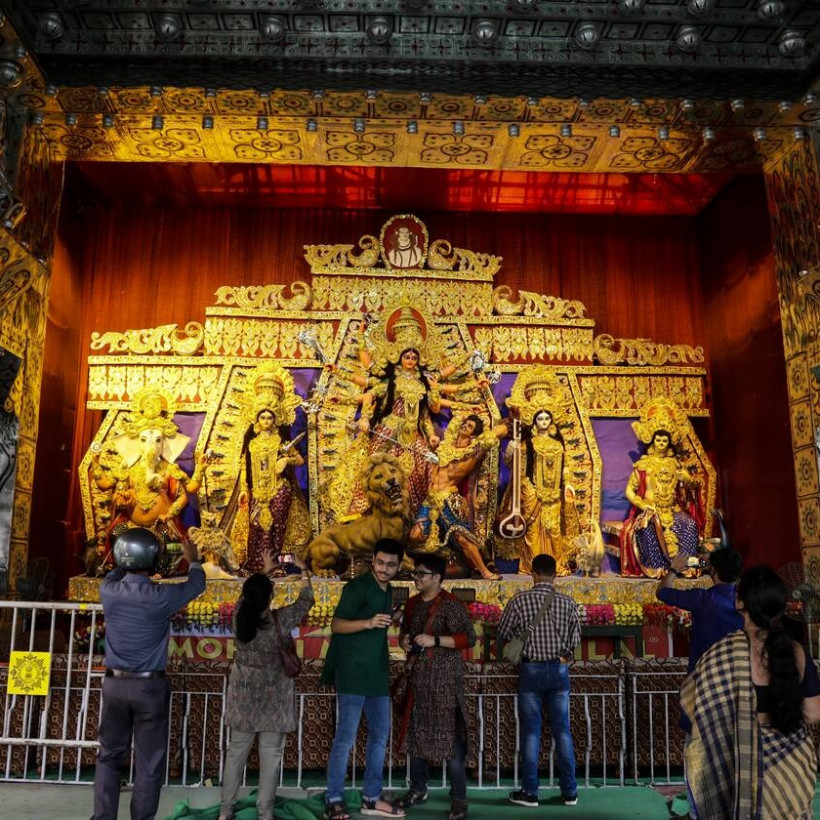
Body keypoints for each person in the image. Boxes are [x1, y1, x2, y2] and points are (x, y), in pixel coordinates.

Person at [680, 566, 820, 819]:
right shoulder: (797, 652)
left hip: (738, 762)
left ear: (739, 602)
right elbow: (813, 712)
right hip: (792, 768)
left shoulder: (721, 654)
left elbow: (698, 710)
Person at [93, 529, 206, 820]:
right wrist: (193, 560)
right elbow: (197, 584)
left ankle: (103, 816)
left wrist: (125, 557)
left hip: (114, 685)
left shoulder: (108, 590)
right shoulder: (160, 597)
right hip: (148, 689)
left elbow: (116, 571)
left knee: (108, 756)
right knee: (149, 762)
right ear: (153, 559)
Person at [219, 552, 313, 820]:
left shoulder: (239, 616)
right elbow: (306, 600)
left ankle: (225, 811)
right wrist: (303, 570)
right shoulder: (279, 621)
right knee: (271, 755)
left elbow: (247, 595)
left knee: (236, 753)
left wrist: (265, 571)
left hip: (243, 694)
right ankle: (265, 812)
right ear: (271, 597)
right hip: (275, 697)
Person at [321, 538, 406, 820]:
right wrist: (368, 622)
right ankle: (334, 798)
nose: (384, 569)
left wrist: (392, 617)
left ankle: (371, 797)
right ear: (373, 560)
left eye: (391, 565)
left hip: (377, 671)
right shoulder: (357, 587)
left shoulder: (388, 589)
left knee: (380, 735)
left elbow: (378, 622)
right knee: (345, 738)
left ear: (399, 566)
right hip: (352, 671)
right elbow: (337, 625)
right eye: (380, 562)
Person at [396, 554, 476, 820]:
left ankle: (459, 798)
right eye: (415, 574)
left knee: (450, 742)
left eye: (421, 574)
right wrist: (404, 641)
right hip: (419, 682)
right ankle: (418, 789)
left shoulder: (451, 605)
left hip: (445, 682)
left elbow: (468, 638)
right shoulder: (412, 604)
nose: (416, 578)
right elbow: (404, 633)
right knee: (416, 736)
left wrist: (436, 640)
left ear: (437, 578)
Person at [498, 554, 581, 809]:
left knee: (531, 732)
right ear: (555, 575)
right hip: (559, 670)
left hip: (530, 670)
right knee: (563, 731)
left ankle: (530, 792)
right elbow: (575, 640)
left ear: (533, 573)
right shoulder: (568, 603)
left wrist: (522, 637)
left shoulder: (519, 601)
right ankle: (570, 792)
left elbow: (503, 631)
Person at [91, 388, 209, 565]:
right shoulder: (128, 468)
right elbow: (104, 484)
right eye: (144, 440)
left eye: (157, 441)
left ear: (164, 443)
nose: (151, 446)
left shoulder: (170, 469)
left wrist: (171, 512)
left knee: (173, 544)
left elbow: (189, 490)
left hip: (161, 523)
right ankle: (123, 567)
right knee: (116, 534)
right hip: (132, 524)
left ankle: (161, 570)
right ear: (137, 442)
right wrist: (120, 498)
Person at [409, 414, 505, 580]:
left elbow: (502, 430)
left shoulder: (473, 451)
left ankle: (484, 571)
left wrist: (484, 431)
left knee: (462, 539)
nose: (465, 426)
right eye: (465, 423)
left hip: (449, 499)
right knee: (414, 536)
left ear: (473, 434)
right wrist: (433, 457)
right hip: (431, 499)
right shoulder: (445, 446)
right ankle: (440, 555)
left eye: (469, 426)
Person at [236, 363, 309, 574]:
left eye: (270, 417)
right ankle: (255, 566)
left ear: (276, 418)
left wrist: (286, 461)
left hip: (279, 489)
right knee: (256, 527)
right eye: (262, 417)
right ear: (257, 418)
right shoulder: (252, 442)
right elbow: (244, 466)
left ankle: (278, 566)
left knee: (277, 527)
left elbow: (300, 460)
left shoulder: (282, 441)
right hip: (257, 490)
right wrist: (243, 489)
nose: (266, 421)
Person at [621, 428, 703, 578]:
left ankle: (686, 565)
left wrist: (687, 479)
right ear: (652, 442)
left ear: (669, 443)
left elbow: (691, 487)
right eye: (658, 440)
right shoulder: (644, 464)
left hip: (672, 510)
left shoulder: (675, 464)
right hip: (651, 510)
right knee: (647, 530)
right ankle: (658, 567)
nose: (661, 443)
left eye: (664, 441)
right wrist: (643, 505)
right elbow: (629, 491)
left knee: (690, 525)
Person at [503, 408, 577, 575]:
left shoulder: (558, 444)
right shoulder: (529, 443)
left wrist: (568, 484)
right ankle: (533, 566)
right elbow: (515, 465)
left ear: (551, 422)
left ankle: (556, 565)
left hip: (554, 495)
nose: (543, 421)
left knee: (554, 531)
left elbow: (565, 466)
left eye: (546, 418)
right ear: (535, 422)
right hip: (534, 494)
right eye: (540, 419)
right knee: (533, 532)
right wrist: (511, 449)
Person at [657, 547, 743, 674]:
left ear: (713, 571)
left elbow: (662, 592)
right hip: (738, 670)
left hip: (704, 672)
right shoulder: (747, 600)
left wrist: (674, 570)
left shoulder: (701, 598)